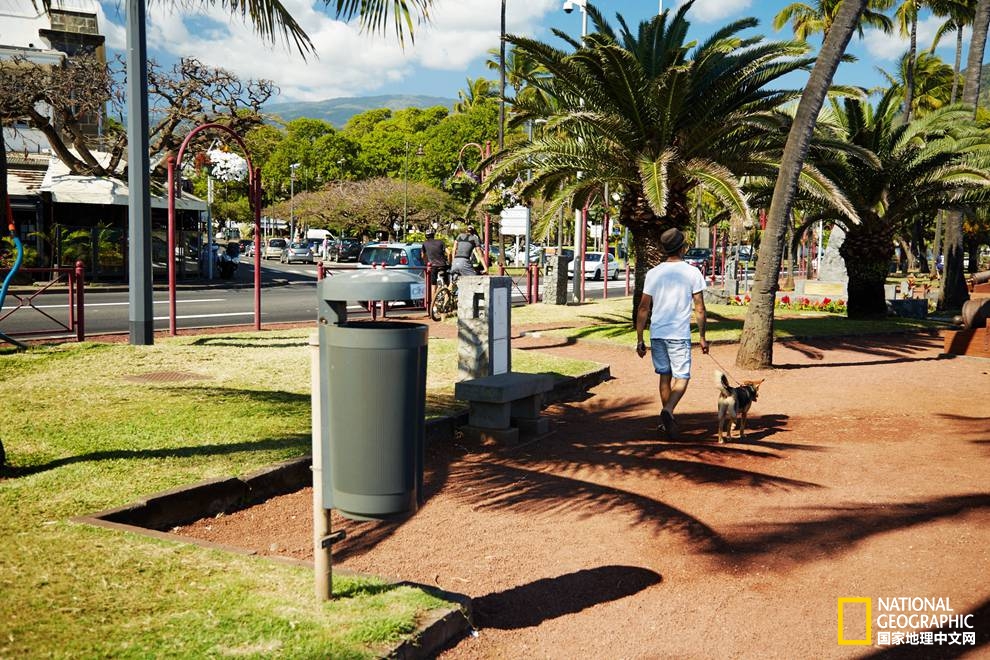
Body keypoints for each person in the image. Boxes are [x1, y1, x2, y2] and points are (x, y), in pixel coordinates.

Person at [635, 227, 709, 438]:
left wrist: (640, 339)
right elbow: (700, 308)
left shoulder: (653, 273)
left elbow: (643, 308)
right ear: (683, 248)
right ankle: (668, 411)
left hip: (657, 333)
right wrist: (702, 337)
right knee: (683, 376)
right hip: (679, 334)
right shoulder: (692, 272)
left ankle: (667, 422)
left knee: (664, 376)